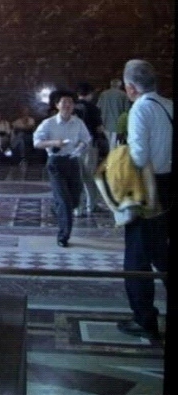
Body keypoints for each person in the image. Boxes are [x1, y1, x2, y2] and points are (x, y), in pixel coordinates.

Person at [118, 59, 173, 340]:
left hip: (149, 187)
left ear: (130, 87)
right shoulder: (169, 105)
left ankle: (144, 319)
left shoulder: (141, 108)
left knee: (137, 256)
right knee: (162, 252)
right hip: (169, 184)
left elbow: (139, 156)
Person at [33, 90, 91, 247]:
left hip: (73, 161)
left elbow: (86, 139)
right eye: (64, 102)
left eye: (70, 102)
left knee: (75, 198)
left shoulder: (78, 122)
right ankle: (63, 236)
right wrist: (54, 143)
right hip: (56, 163)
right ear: (57, 105)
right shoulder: (48, 123)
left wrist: (81, 145)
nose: (67, 105)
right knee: (65, 202)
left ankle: (56, 206)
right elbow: (36, 142)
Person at [73, 82, 105, 216]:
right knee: (89, 174)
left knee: (76, 175)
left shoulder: (71, 106)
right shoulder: (93, 108)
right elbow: (99, 128)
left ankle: (77, 208)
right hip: (88, 143)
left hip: (73, 144)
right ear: (90, 94)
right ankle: (91, 205)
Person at [97, 78, 130, 149]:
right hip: (117, 124)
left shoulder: (103, 94)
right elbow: (127, 110)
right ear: (120, 85)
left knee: (107, 146)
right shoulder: (123, 95)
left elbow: (98, 108)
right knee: (114, 147)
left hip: (104, 123)